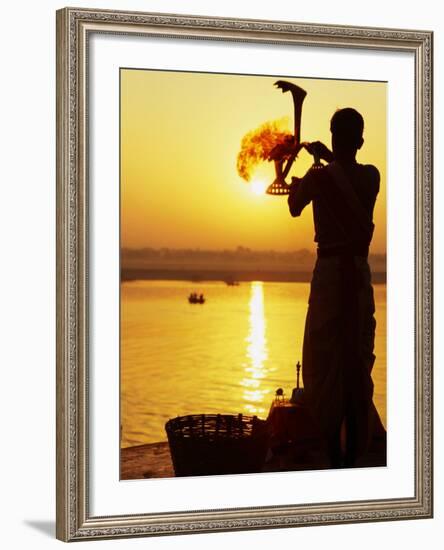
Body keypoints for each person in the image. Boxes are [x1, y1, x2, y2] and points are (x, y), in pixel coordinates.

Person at [282, 108, 381, 467]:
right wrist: (326, 161)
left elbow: (294, 206)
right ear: (360, 141)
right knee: (355, 361)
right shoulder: (372, 176)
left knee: (323, 364)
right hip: (357, 276)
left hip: (328, 280)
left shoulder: (319, 177)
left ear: (333, 137)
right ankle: (355, 448)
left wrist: (310, 172)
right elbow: (346, 177)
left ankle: (329, 447)